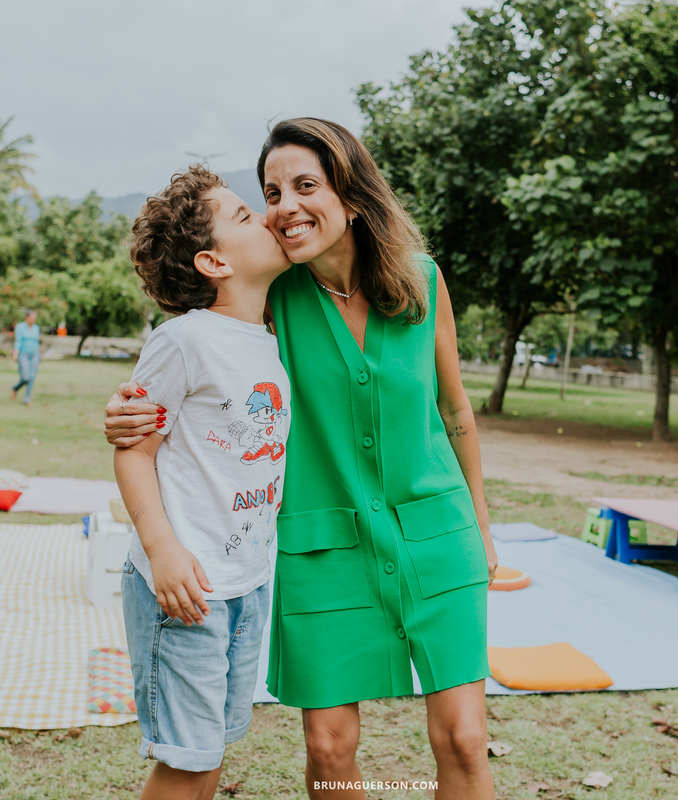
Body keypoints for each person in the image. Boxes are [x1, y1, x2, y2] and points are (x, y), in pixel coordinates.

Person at [105, 118, 498, 800]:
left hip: (439, 535)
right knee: (329, 745)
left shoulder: (424, 283)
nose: (284, 206)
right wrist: (126, 413)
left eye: (304, 185)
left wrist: (484, 524)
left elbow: (454, 409)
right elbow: (200, 360)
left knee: (463, 739)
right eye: (270, 191)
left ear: (352, 193)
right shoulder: (270, 294)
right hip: (323, 548)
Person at [113, 166, 292, 800]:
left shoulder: (271, 336)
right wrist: (163, 550)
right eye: (246, 215)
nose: (268, 217)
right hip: (182, 585)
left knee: (211, 750)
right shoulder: (183, 342)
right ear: (214, 262)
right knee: (186, 762)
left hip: (245, 581)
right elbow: (134, 453)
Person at [11, 310, 41, 406]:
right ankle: (15, 388)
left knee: (32, 377)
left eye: (34, 318)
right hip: (23, 354)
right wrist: (15, 353)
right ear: (26, 317)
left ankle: (27, 398)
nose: (33, 320)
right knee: (25, 377)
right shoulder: (19, 327)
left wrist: (39, 355)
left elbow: (36, 342)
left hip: (34, 354)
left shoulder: (36, 328)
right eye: (32, 318)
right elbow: (18, 341)